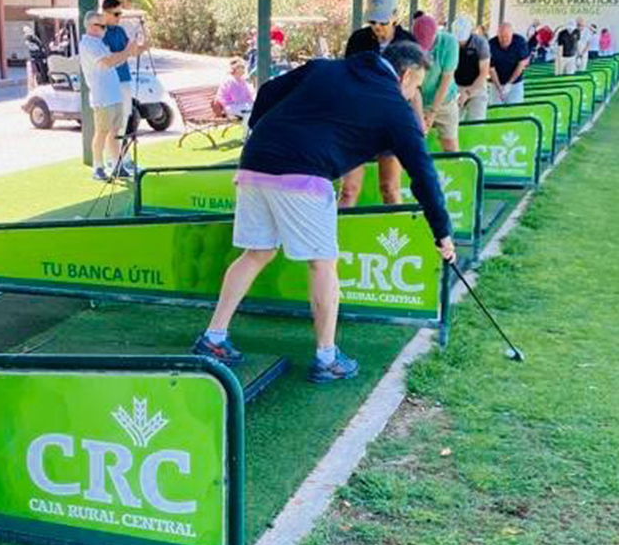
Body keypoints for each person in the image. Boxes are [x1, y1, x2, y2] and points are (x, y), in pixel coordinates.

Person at [191, 42, 455, 382]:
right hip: (302, 175)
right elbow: (423, 172)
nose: (412, 93)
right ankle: (327, 358)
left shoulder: (327, 67)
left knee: (257, 252)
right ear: (404, 76)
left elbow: (268, 90)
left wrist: (265, 135)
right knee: (323, 264)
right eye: (415, 85)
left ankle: (213, 338)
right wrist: (442, 231)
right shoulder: (394, 106)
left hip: (254, 163)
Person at [339, 0, 419, 206]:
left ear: (395, 17)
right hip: (359, 120)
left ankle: (395, 228)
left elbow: (416, 80)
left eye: (382, 22)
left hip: (392, 122)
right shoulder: (358, 40)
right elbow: (347, 76)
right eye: (372, 21)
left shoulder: (408, 42)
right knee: (348, 190)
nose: (377, 27)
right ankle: (338, 228)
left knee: (390, 188)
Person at [79, 9, 145, 181]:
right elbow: (108, 62)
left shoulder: (99, 43)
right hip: (102, 97)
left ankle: (117, 166)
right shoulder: (88, 44)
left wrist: (131, 50)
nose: (104, 29)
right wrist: (128, 51)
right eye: (100, 26)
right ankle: (98, 167)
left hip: (114, 94)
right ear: (89, 26)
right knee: (102, 132)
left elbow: (116, 60)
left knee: (114, 132)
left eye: (104, 26)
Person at [412, 13, 460, 152]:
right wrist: (420, 115)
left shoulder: (449, 43)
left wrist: (433, 112)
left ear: (436, 34)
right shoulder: (410, 45)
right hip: (418, 101)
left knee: (450, 145)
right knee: (415, 145)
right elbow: (414, 86)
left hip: (446, 101)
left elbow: (445, 81)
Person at [101, 0, 136, 166]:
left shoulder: (120, 31)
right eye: (116, 14)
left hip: (125, 79)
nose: (119, 17)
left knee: (125, 119)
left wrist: (140, 47)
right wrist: (127, 52)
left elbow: (131, 51)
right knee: (113, 123)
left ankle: (124, 157)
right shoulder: (101, 33)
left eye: (120, 13)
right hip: (111, 83)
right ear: (106, 13)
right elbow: (112, 58)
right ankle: (111, 159)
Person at [453, 15, 491, 122]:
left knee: (476, 121)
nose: (460, 42)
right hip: (456, 86)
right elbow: (448, 70)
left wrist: (468, 93)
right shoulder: (450, 42)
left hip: (478, 86)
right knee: (452, 122)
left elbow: (484, 73)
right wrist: (457, 91)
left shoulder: (481, 43)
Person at [489, 22, 530, 104]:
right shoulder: (490, 45)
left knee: (515, 107)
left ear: (512, 35)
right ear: (497, 35)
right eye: (501, 37)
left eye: (507, 37)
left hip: (516, 83)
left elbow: (521, 64)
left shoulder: (520, 42)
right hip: (496, 83)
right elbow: (491, 69)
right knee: (495, 107)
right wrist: (499, 87)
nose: (504, 40)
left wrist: (509, 83)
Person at [215, 56, 255, 121]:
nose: (244, 69)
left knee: (257, 107)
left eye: (244, 67)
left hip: (240, 105)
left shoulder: (242, 79)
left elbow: (250, 94)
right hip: (231, 106)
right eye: (242, 67)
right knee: (253, 109)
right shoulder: (230, 80)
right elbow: (237, 98)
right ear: (236, 68)